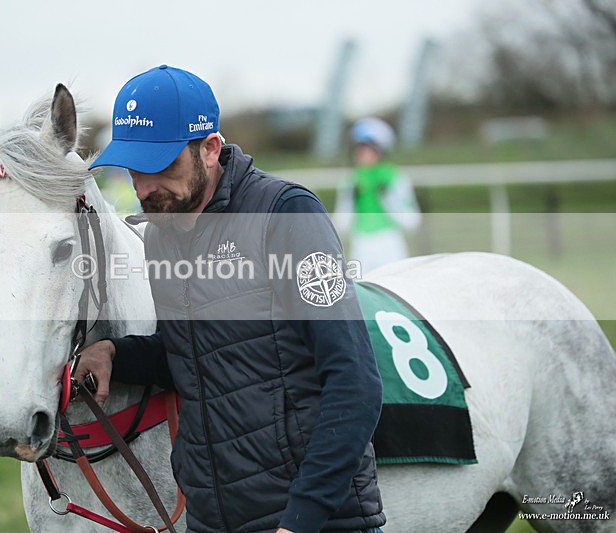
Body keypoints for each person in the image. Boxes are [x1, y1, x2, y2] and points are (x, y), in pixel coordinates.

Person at [79, 65, 384, 533]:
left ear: (210, 148)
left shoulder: (285, 212)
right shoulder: (160, 236)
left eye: (162, 165)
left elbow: (355, 380)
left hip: (312, 521)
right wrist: (115, 354)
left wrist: (301, 520)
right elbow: (195, 355)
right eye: (136, 168)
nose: (145, 187)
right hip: (213, 520)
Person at [333, 117, 421, 274]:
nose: (362, 154)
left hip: (389, 242)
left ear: (380, 151)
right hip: (360, 244)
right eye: (359, 148)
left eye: (368, 148)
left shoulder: (395, 178)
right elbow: (341, 224)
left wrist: (388, 200)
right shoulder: (350, 181)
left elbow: (412, 221)